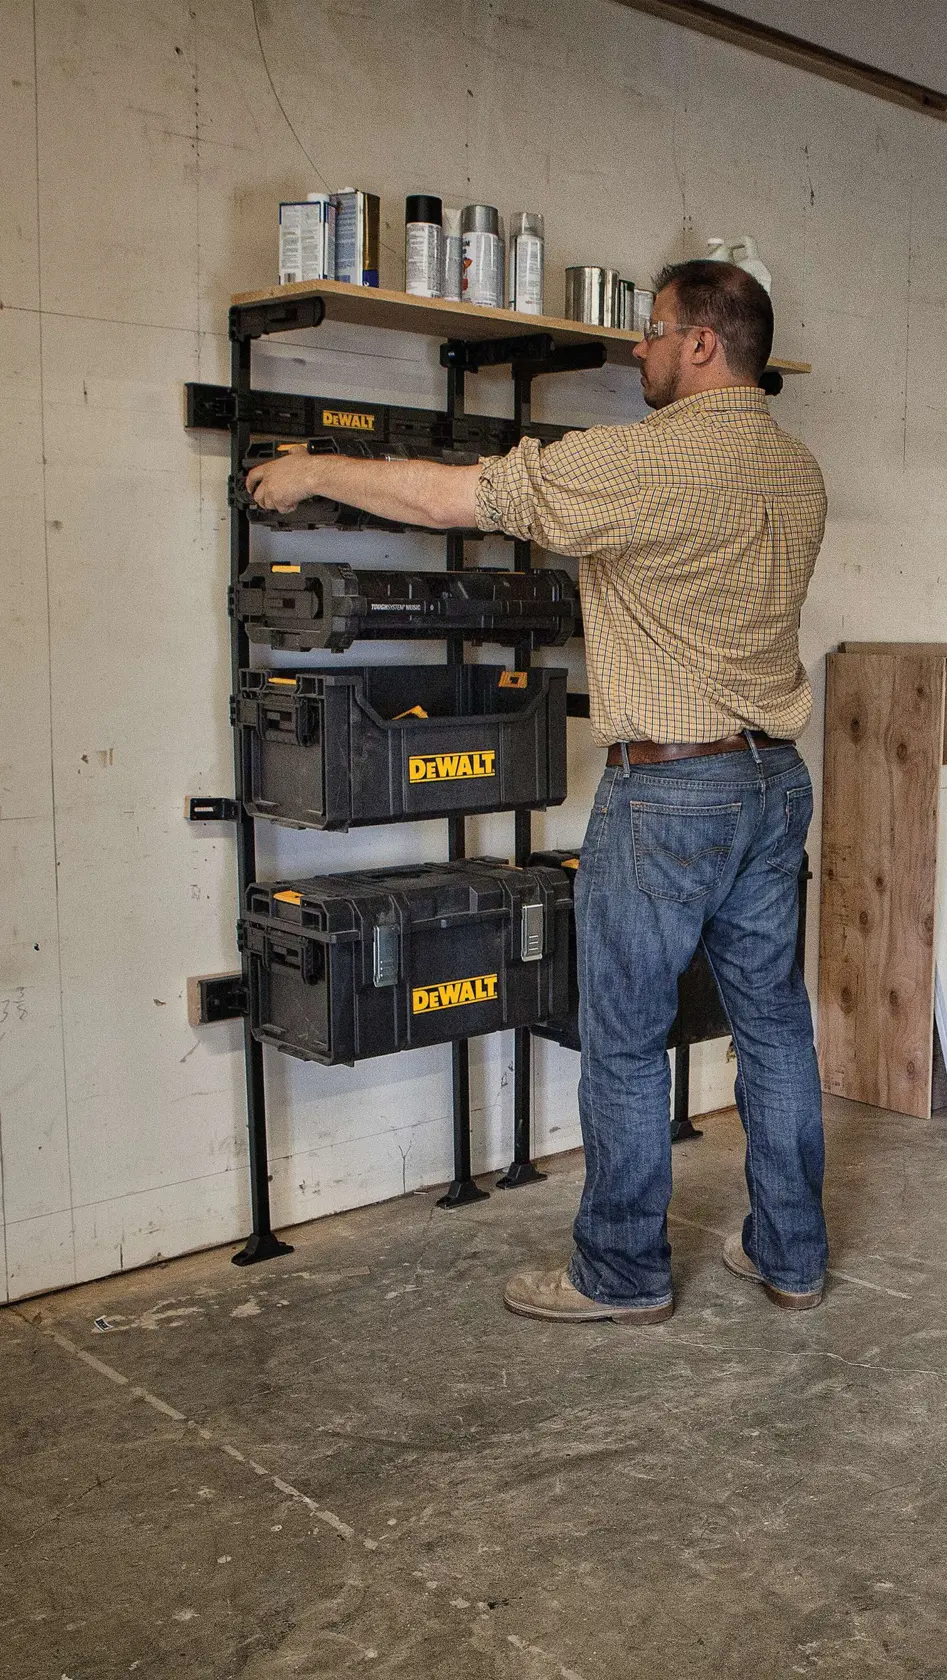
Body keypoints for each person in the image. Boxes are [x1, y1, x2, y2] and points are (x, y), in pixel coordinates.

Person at [246, 260, 828, 1326]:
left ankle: (620, 1275)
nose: (637, 352)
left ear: (704, 343)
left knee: (623, 1037)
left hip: (669, 794)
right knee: (776, 1031)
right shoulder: (796, 470)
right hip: (771, 780)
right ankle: (791, 1256)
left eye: (652, 332)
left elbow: (451, 497)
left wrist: (312, 469)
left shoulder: (647, 464)